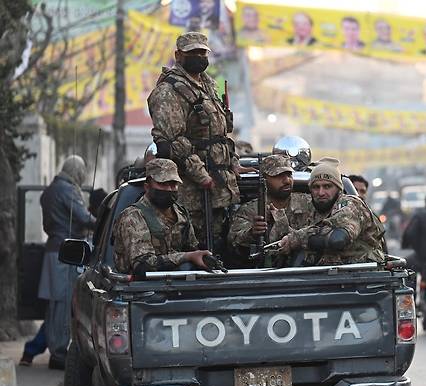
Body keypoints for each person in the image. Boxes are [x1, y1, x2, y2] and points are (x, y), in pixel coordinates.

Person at [148, 32, 253, 251]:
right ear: (178, 55)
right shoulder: (168, 91)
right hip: (193, 190)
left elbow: (220, 134)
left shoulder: (208, 85)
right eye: (192, 52)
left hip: (221, 185)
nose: (199, 57)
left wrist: (233, 163)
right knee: (197, 245)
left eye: (202, 52)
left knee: (225, 242)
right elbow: (173, 141)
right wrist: (201, 175)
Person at [21, 156, 96, 370]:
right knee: (64, 305)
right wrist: (100, 223)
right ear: (76, 171)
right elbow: (82, 217)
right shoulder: (67, 190)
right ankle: (60, 352)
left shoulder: (51, 190)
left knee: (55, 305)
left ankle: (38, 348)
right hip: (67, 253)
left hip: (53, 250)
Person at [112, 158, 212, 275]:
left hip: (181, 285)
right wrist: (187, 257)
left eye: (173, 184)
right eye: (163, 184)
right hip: (142, 289)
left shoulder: (181, 214)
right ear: (147, 187)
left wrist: (203, 258)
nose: (169, 189)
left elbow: (192, 250)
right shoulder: (133, 217)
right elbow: (143, 265)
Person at [279, 158, 385, 265]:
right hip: (325, 277)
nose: (321, 192)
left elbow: (338, 239)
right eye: (316, 187)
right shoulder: (311, 211)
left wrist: (297, 239)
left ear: (338, 189)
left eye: (327, 186)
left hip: (364, 275)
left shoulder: (351, 205)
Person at [228, 155, 314, 266]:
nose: (287, 180)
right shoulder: (250, 210)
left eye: (289, 175)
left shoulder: (308, 203)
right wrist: (252, 233)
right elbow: (232, 241)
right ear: (264, 179)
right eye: (279, 176)